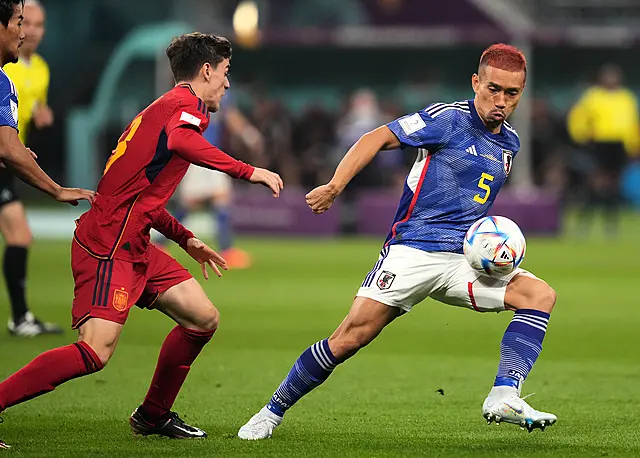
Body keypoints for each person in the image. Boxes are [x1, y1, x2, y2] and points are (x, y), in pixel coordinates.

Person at [238, 43, 558, 441]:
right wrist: (336, 186)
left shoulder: (510, 143)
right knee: (349, 338)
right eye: (493, 89)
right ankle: (271, 412)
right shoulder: (447, 120)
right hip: (414, 250)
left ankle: (503, 394)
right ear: (476, 82)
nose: (501, 101)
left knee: (539, 295)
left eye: (511, 93)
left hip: (464, 260)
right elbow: (376, 137)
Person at [0, 32, 283, 448]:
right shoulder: (186, 107)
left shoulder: (167, 107)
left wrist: (186, 239)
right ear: (206, 70)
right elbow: (184, 142)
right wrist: (248, 170)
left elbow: (141, 198)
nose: (227, 83)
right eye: (225, 72)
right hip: (108, 244)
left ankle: (153, 415)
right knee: (95, 352)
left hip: (133, 241)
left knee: (202, 319)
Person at [2, 0, 61, 336]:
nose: (31, 31)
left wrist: (41, 117)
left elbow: (31, 111)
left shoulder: (40, 69)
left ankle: (20, 318)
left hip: (9, 160)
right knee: (19, 234)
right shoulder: (5, 65)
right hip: (7, 154)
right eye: (25, 22)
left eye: (38, 25)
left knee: (20, 235)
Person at [165, 92, 264, 269]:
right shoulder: (209, 83)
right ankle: (226, 250)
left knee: (205, 201)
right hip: (200, 152)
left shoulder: (208, 82)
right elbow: (230, 114)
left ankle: (226, 250)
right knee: (202, 200)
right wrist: (249, 134)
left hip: (203, 152)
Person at [567, 63, 639, 235]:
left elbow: (632, 123)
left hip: (619, 145)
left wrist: (633, 144)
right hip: (599, 143)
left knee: (614, 185)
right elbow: (578, 117)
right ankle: (585, 221)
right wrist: (581, 136)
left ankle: (611, 223)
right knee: (596, 183)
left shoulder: (626, 98)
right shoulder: (593, 97)